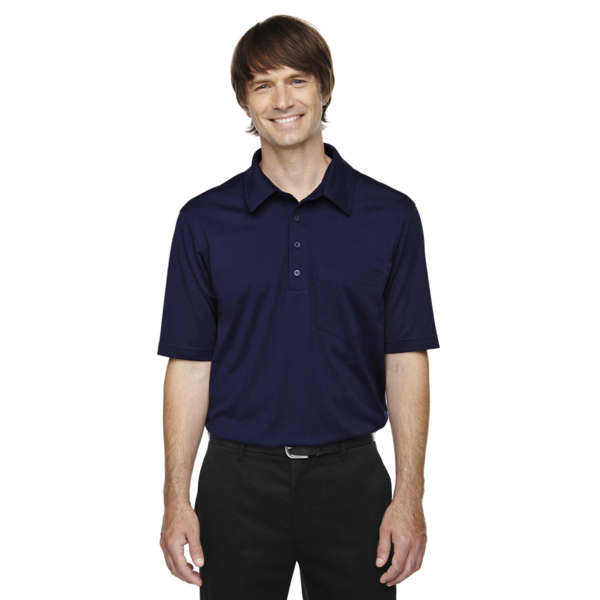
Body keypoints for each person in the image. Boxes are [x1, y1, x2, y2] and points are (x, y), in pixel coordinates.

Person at [157, 14, 440, 599]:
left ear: (325, 88)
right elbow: (190, 366)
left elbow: (405, 359)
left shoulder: (391, 216)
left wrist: (409, 496)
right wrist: (175, 499)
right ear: (245, 101)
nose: (282, 101)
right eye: (262, 85)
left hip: (352, 480)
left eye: (297, 81)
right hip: (236, 483)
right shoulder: (203, 222)